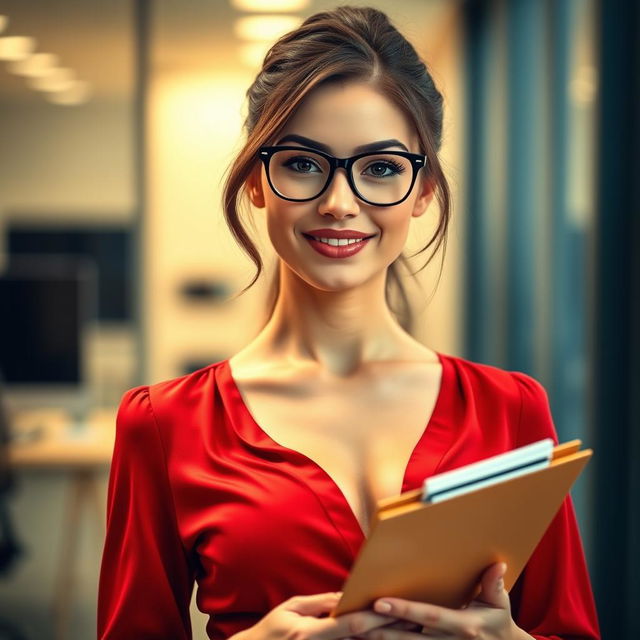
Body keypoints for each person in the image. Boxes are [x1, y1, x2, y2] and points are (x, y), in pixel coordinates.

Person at [97, 6, 600, 639]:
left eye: (382, 168)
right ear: (258, 179)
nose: (340, 203)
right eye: (303, 163)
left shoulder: (510, 409)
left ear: (424, 192)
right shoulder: (163, 424)